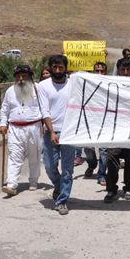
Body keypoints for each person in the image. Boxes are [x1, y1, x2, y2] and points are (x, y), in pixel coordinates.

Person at [39, 55, 76, 216]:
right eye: (55, 67)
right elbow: (44, 110)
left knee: (67, 170)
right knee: (49, 165)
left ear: (66, 68)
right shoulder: (43, 86)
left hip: (70, 131)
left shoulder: (74, 84)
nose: (58, 70)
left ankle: (62, 201)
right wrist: (52, 131)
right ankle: (59, 186)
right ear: (50, 68)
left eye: (61, 67)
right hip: (50, 131)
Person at [0, 65, 44, 196]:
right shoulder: (10, 91)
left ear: (29, 76)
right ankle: (11, 185)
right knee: (14, 156)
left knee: (34, 156)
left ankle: (34, 181)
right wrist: (3, 124)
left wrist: (46, 124)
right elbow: (4, 108)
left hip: (34, 127)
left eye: (24, 76)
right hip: (15, 128)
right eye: (18, 76)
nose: (21, 79)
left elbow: (45, 106)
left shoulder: (38, 89)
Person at [103, 59, 130, 202]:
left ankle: (128, 188)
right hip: (115, 132)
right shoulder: (110, 85)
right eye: (122, 70)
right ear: (118, 69)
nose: (125, 73)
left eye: (128, 70)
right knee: (112, 161)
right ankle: (111, 189)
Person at [84, 61, 108, 186]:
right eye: (96, 70)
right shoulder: (88, 84)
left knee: (104, 150)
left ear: (106, 72)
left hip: (105, 122)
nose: (99, 73)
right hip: (90, 121)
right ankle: (92, 165)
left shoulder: (111, 85)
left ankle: (102, 175)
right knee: (88, 148)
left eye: (101, 70)